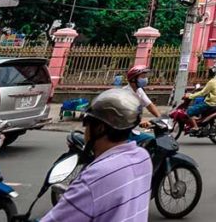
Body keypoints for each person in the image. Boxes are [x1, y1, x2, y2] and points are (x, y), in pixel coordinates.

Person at [41, 89, 152, 222]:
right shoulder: (143, 158)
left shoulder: (95, 177)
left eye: (86, 124)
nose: (85, 131)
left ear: (99, 128)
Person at [185, 66, 216, 131]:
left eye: (207, 72)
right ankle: (198, 120)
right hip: (212, 101)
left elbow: (202, 93)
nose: (206, 73)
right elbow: (205, 91)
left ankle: (196, 127)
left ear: (210, 74)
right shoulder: (214, 80)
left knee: (189, 111)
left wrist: (191, 96)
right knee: (197, 103)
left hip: (209, 103)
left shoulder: (211, 82)